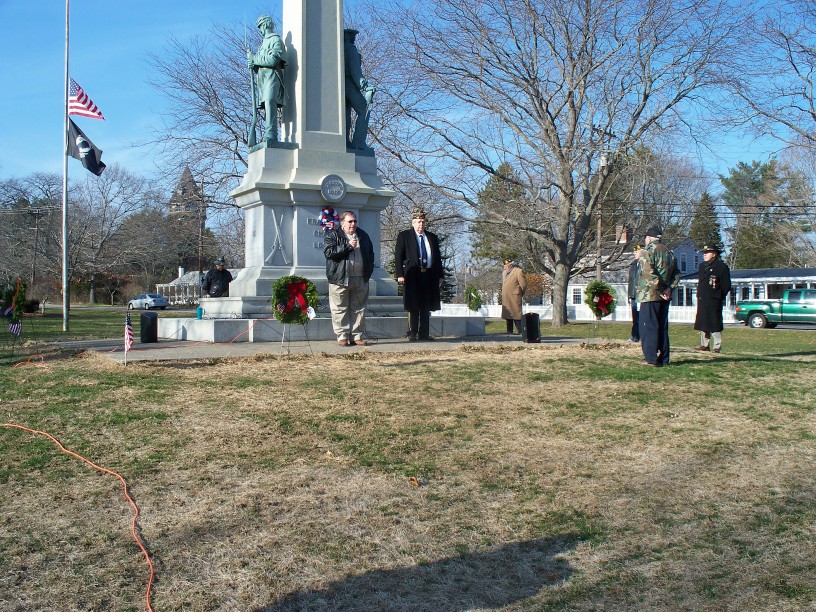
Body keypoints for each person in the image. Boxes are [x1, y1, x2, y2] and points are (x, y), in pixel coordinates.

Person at [324, 211, 375, 347]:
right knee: (339, 308)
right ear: (342, 223)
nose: (353, 224)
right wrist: (348, 246)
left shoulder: (363, 235)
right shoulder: (333, 235)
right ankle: (342, 336)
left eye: (355, 221)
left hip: (360, 278)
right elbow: (329, 253)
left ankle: (356, 336)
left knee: (358, 308)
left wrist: (368, 270)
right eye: (350, 221)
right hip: (340, 278)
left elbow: (370, 254)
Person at [395, 209, 444, 341]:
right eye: (418, 222)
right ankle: (412, 333)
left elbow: (437, 258)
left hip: (428, 275)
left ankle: (424, 333)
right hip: (412, 275)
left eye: (422, 222)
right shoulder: (404, 236)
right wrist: (399, 274)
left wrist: (440, 275)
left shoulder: (432, 237)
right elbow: (398, 256)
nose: (421, 225)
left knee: (426, 305)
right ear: (413, 223)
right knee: (413, 305)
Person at [636, 226, 680, 366]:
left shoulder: (647, 252)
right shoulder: (669, 252)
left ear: (648, 238)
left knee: (648, 327)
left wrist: (660, 289)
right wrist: (669, 288)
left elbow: (649, 273)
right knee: (662, 327)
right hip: (664, 297)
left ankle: (651, 358)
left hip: (650, 295)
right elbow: (677, 275)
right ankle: (664, 358)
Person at [248, 15, 287, 145]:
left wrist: (255, 59)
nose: (259, 30)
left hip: (272, 76)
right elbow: (260, 62)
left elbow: (273, 60)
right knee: (266, 104)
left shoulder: (275, 40)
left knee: (270, 101)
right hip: (263, 78)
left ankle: (271, 134)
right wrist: (253, 65)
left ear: (265, 25)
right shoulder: (262, 44)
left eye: (260, 27)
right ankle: (267, 133)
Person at [694, 244, 732, 353]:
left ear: (714, 254)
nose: (705, 255)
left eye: (707, 253)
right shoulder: (702, 266)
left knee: (714, 322)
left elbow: (726, 285)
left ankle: (717, 346)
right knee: (703, 322)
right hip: (703, 299)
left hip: (714, 300)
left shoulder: (721, 267)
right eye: (704, 253)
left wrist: (718, 295)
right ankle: (704, 344)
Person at [343, 28, 374, 150]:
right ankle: (358, 143)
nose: (354, 39)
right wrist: (365, 87)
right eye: (352, 36)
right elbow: (355, 71)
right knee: (364, 109)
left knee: (346, 114)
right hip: (349, 84)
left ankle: (345, 142)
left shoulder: (338, 50)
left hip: (340, 86)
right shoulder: (350, 49)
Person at [501, 260, 527, 334]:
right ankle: (509, 331)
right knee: (508, 314)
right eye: (504, 265)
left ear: (510, 265)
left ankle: (520, 331)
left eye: (506, 265)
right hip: (506, 297)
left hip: (515, 296)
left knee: (516, 314)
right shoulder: (504, 273)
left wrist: (519, 293)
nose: (505, 267)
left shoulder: (518, 271)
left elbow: (523, 285)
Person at [627, 244, 643, 343]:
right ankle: (634, 336)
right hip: (633, 295)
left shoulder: (644, 264)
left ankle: (641, 336)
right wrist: (629, 295)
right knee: (635, 317)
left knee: (642, 318)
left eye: (637, 252)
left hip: (641, 295)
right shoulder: (633, 265)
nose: (635, 254)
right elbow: (630, 281)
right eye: (634, 252)